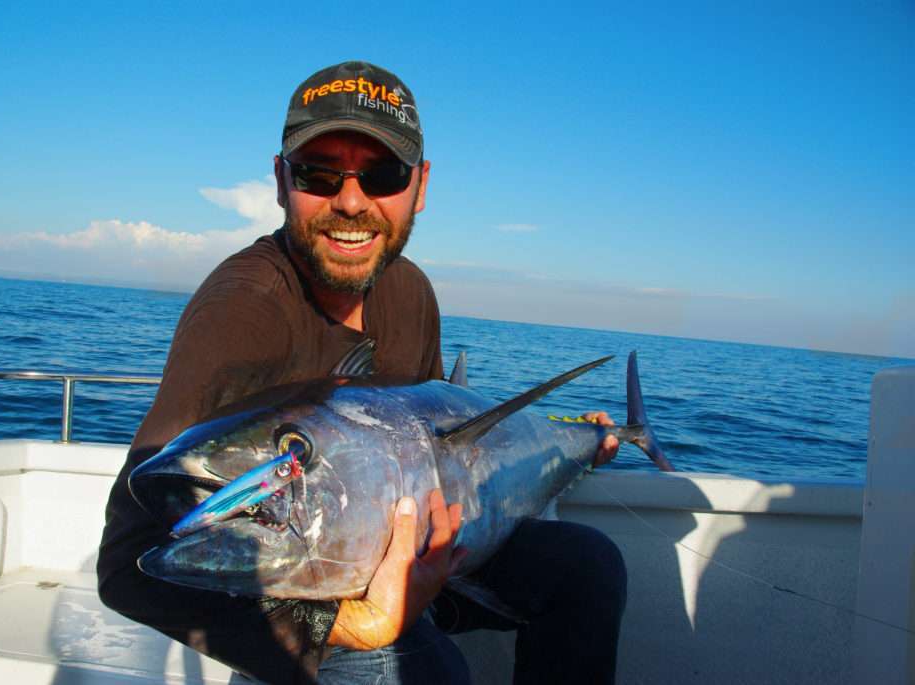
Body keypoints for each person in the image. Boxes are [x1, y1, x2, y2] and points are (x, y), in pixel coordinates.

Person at [98, 60, 626, 685]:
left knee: (589, 567)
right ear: (279, 180)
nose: (351, 201)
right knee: (425, 672)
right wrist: (356, 622)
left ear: (420, 186)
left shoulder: (412, 292)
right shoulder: (239, 313)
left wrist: (579, 443)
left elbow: (436, 439)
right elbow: (126, 566)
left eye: (382, 174)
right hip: (318, 591)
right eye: (318, 173)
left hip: (427, 563)